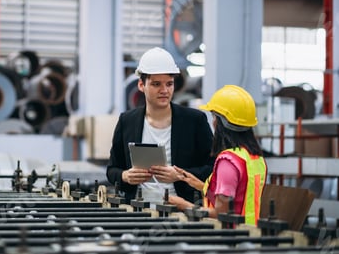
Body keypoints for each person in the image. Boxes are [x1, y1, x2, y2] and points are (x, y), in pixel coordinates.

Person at [106, 47, 215, 206]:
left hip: (181, 209)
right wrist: (125, 176)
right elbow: (112, 169)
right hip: (137, 208)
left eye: (169, 84)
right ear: (141, 85)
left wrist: (180, 175)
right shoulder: (127, 121)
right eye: (156, 84)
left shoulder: (194, 121)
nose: (164, 90)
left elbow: (213, 167)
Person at [168, 84, 267, 225]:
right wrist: (198, 184)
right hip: (250, 233)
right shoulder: (254, 158)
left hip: (229, 237)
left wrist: (184, 205)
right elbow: (238, 194)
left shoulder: (228, 161)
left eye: (215, 116)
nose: (213, 122)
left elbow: (221, 213)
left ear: (222, 122)